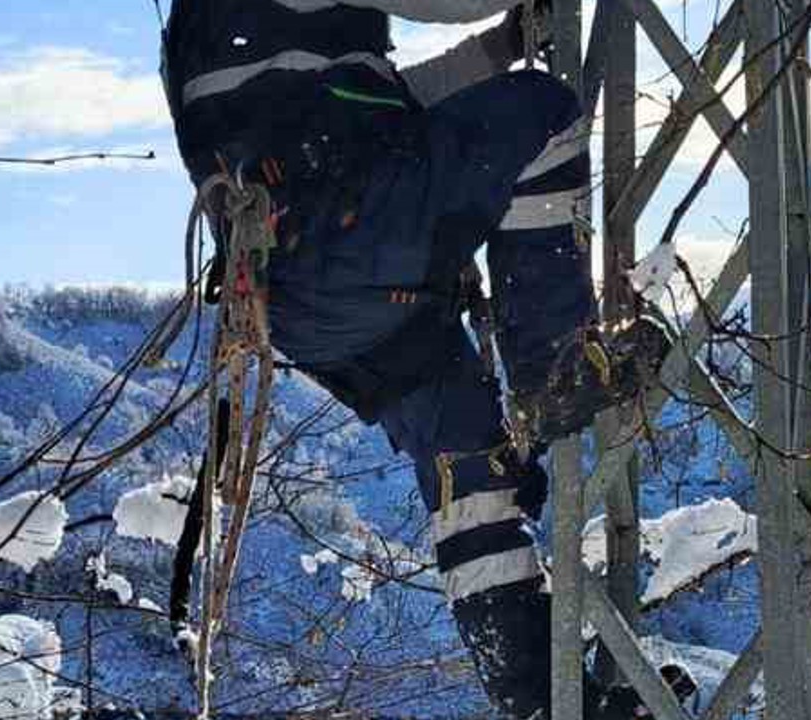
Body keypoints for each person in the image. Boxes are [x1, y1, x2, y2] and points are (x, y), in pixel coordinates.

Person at [161, 1, 675, 717]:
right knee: (543, 115)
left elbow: (386, 100)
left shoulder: (239, 38)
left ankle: (541, 699)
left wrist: (497, 47)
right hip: (344, 224)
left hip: (302, 293)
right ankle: (556, 364)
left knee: (471, 476)